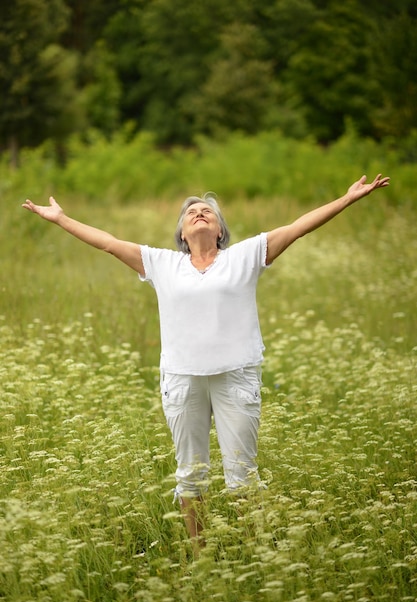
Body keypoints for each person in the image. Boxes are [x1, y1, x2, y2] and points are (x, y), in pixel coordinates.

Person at [22, 173, 390, 555]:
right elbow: (110, 244)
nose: (199, 213)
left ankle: (255, 556)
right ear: (182, 233)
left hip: (237, 378)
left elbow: (296, 228)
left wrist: (346, 199)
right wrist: (61, 219)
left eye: (208, 212)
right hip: (183, 381)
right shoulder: (162, 263)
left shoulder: (245, 257)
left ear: (219, 231)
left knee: (242, 476)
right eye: (192, 212)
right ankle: (201, 559)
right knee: (191, 475)